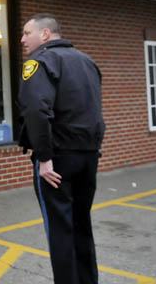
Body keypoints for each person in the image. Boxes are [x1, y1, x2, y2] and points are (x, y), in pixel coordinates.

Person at [18, 14, 105, 284]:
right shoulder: (87, 61)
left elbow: (36, 110)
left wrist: (44, 158)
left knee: (60, 230)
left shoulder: (39, 62)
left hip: (57, 161)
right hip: (88, 157)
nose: (22, 39)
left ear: (45, 35)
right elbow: (94, 110)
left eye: (26, 33)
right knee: (81, 225)